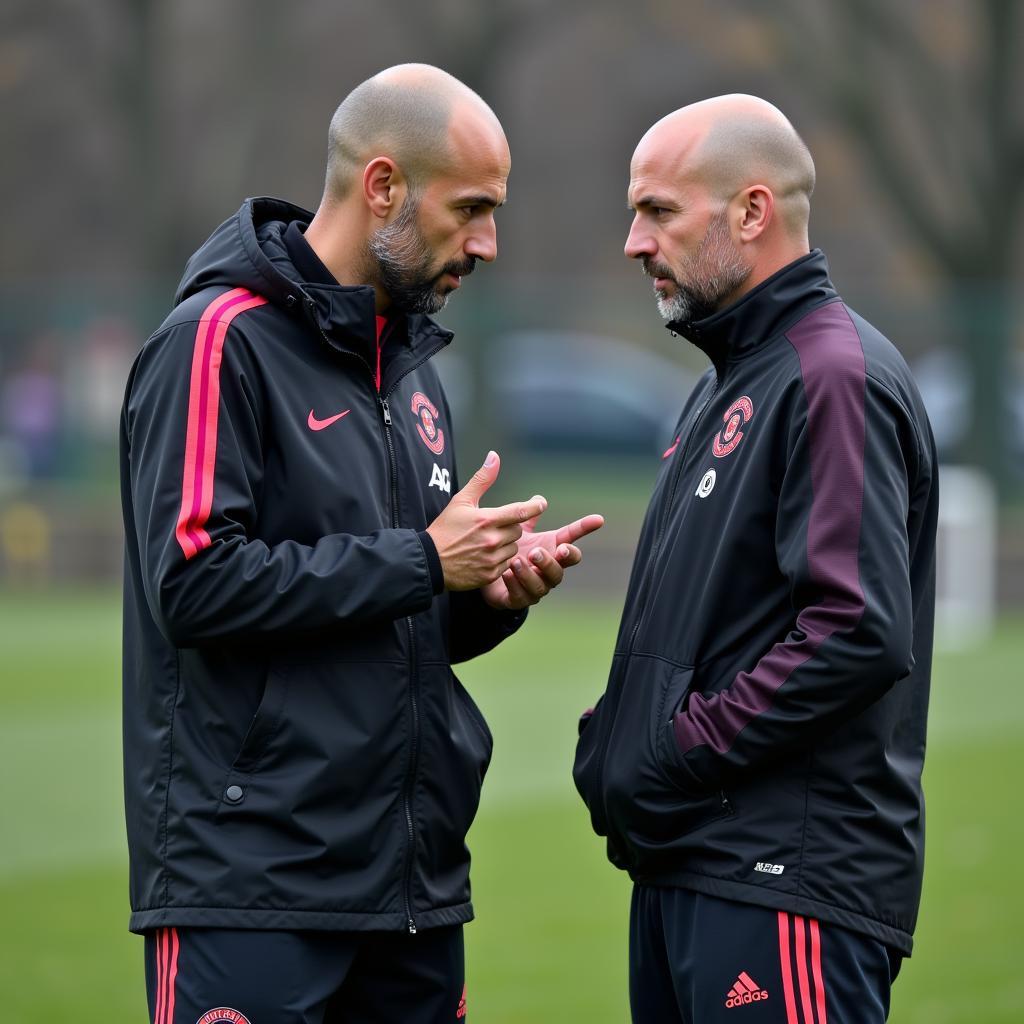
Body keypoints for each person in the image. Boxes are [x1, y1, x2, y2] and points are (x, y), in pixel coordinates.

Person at [120, 64, 602, 1024]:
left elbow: (388, 619)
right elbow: (196, 583)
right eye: (470, 209)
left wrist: (482, 598)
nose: (489, 243)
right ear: (382, 186)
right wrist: (426, 560)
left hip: (410, 887)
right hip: (251, 885)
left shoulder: (413, 371)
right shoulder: (218, 341)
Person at [573, 94, 937, 1024]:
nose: (633, 241)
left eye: (658, 211)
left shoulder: (831, 376)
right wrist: (620, 728)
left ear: (751, 211)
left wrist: (672, 750)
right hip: (695, 864)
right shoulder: (735, 381)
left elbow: (854, 629)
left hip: (782, 878)